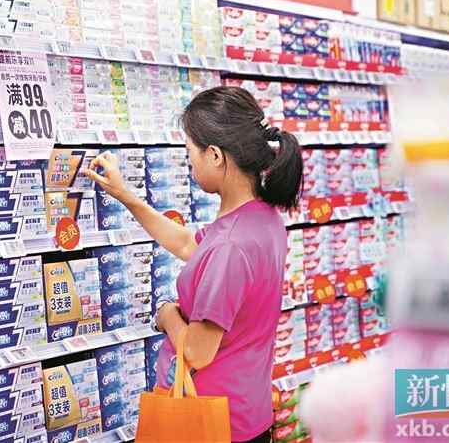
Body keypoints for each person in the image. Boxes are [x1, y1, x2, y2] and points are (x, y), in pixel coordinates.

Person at [85, 86, 303, 443]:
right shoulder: (263, 219)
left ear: (214, 155)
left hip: (213, 424)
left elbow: (198, 353)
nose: (190, 164)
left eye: (191, 153)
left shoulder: (230, 245)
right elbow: (189, 245)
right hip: (249, 411)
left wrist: (167, 314)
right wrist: (126, 196)